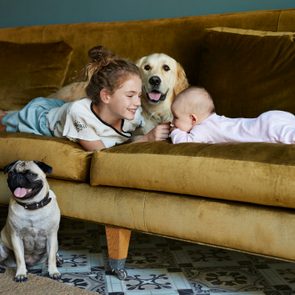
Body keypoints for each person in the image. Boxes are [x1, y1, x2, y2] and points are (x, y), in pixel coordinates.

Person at [0, 46, 170, 151]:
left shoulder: (133, 116)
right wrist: (146, 139)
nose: (138, 102)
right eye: (130, 95)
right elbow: (102, 155)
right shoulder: (80, 116)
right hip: (39, 118)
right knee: (5, 122)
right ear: (106, 96)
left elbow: (146, 129)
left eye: (139, 95)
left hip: (60, 108)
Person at [170, 86, 295, 144]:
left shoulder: (202, 129)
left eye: (176, 117)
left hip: (264, 129)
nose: (172, 121)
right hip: (271, 118)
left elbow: (185, 142)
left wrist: (174, 131)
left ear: (193, 118)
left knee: (289, 136)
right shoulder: (215, 121)